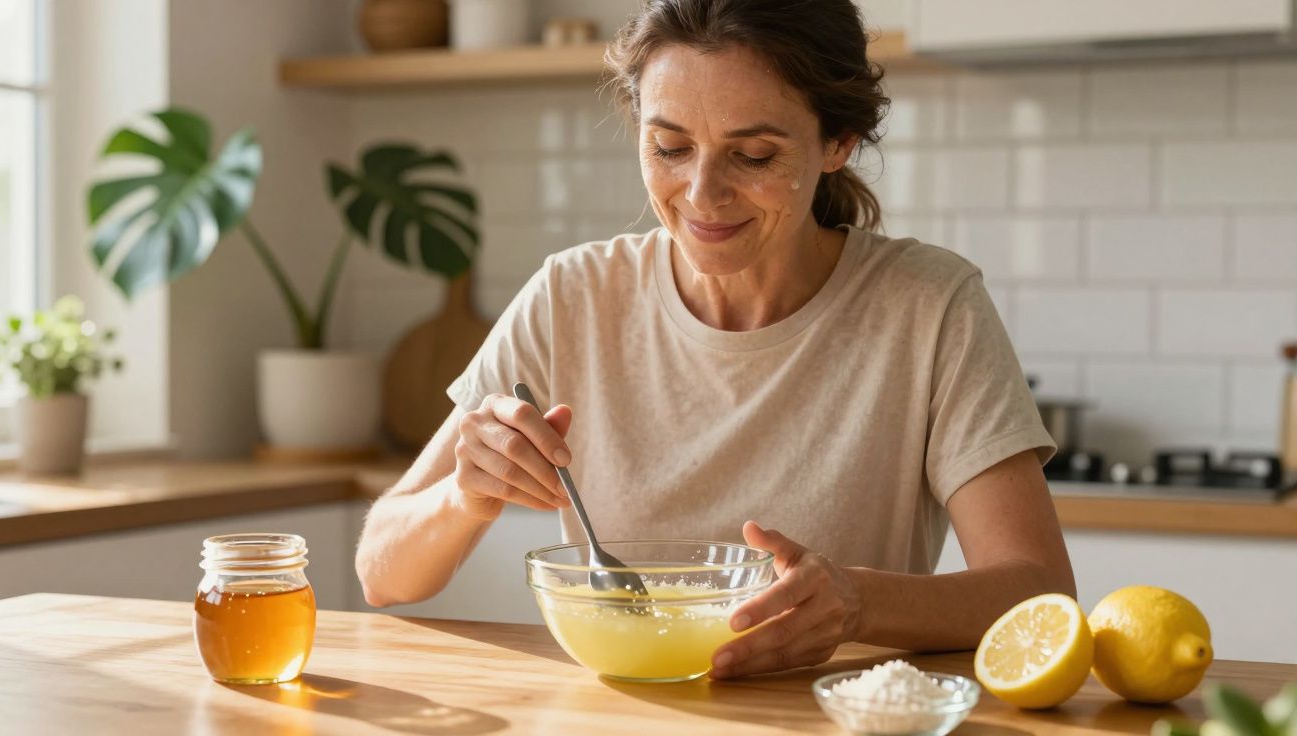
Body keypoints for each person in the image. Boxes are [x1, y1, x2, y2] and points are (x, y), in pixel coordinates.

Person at [355, 0, 1076, 679]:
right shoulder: (572, 296)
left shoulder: (929, 306)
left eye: (754, 156)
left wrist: (858, 601)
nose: (701, 193)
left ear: (838, 143)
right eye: (669, 146)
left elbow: (1040, 594)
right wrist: (465, 497)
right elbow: (381, 572)